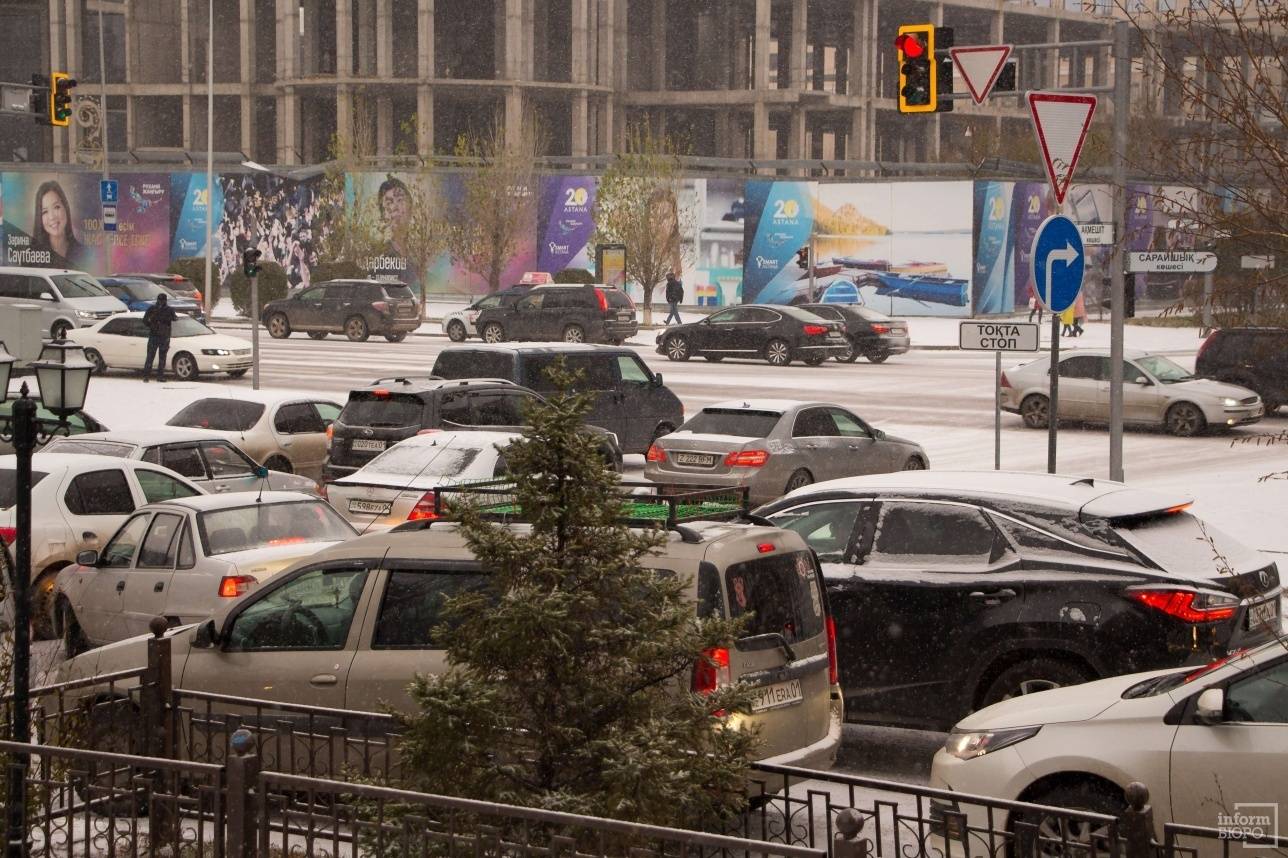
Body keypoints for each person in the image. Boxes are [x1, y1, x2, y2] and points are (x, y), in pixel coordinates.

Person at [30, 180, 91, 270]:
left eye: (56, 207)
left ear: (65, 207)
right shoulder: (33, 256)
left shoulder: (83, 254)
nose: (52, 217)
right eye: (45, 212)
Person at [142, 293, 178, 382]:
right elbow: (145, 320)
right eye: (160, 300)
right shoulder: (153, 309)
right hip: (155, 335)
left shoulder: (168, 309)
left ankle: (159, 376)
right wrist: (152, 325)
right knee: (151, 357)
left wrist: (163, 321)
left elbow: (175, 318)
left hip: (163, 336)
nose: (161, 302)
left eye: (163, 300)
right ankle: (147, 376)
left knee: (160, 357)